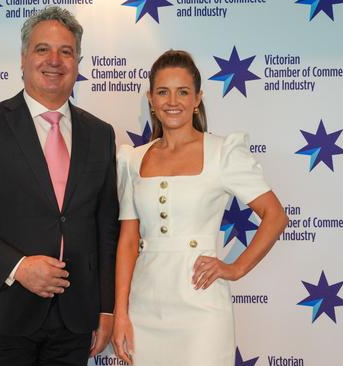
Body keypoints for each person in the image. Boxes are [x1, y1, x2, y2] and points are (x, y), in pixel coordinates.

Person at [0, 7, 119, 366]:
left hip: (75, 318)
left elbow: (105, 228)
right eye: (42, 49)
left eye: (66, 51)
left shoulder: (100, 134)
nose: (54, 60)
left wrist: (106, 309)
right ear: (23, 59)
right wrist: (19, 266)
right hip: (0, 315)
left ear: (78, 61)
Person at [111, 50, 289, 365]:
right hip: (144, 306)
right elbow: (127, 241)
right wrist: (121, 313)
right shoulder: (133, 159)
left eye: (183, 92)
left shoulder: (224, 153)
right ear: (151, 99)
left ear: (198, 98)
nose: (172, 101)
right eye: (163, 92)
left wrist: (236, 267)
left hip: (202, 306)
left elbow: (274, 216)